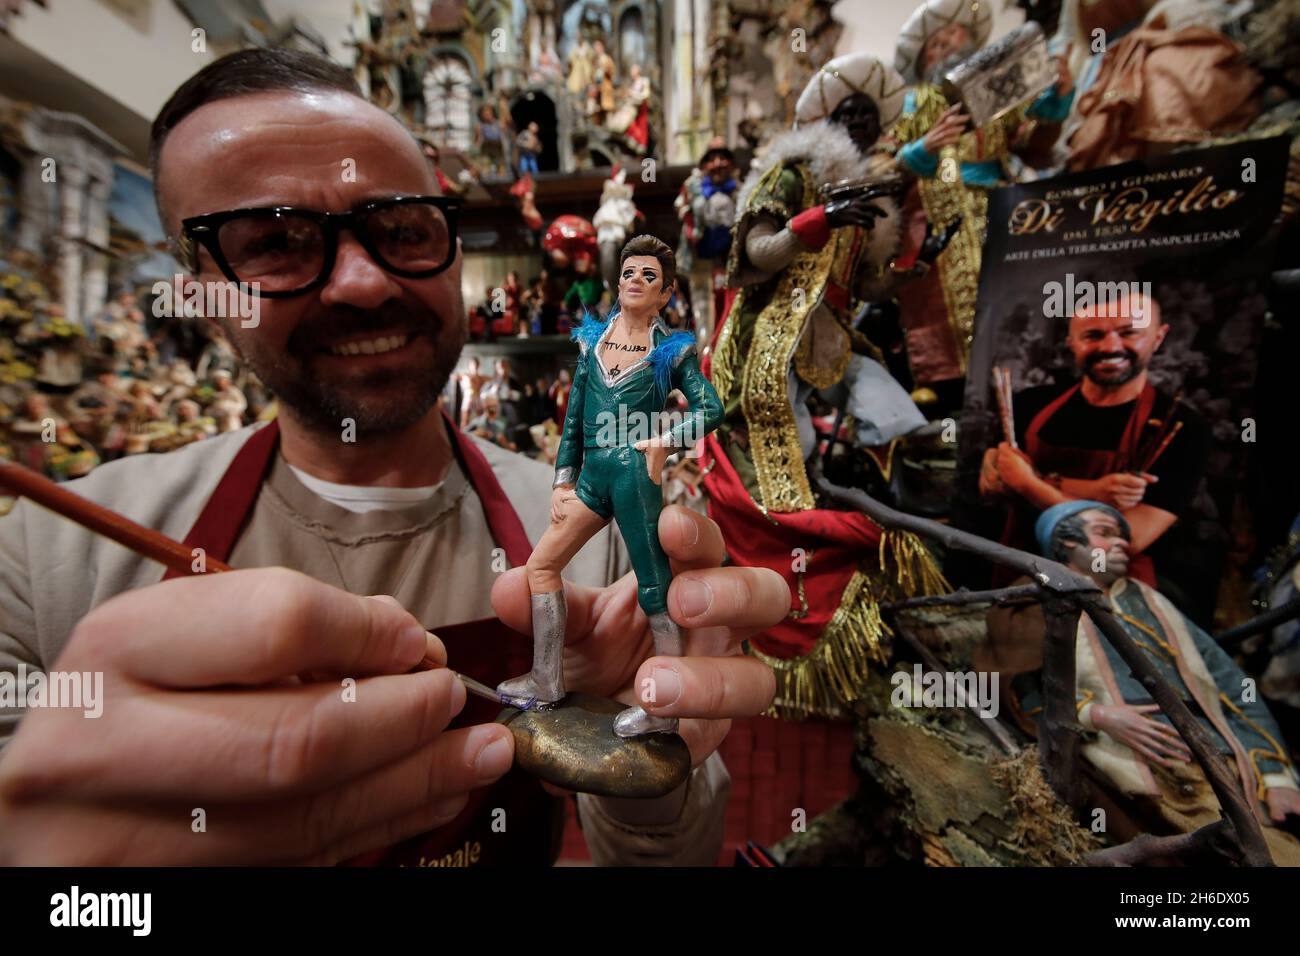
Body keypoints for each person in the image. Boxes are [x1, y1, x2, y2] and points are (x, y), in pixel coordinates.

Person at [0, 48, 784, 867]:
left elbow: (673, 854)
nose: (363, 283)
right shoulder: (47, 559)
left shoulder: (611, 557)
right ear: (196, 290)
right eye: (273, 242)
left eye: (403, 228)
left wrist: (650, 792)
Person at [497, 236, 727, 738]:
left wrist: (665, 441)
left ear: (666, 293)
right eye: (628, 273)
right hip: (592, 475)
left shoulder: (673, 349)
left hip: (634, 472)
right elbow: (574, 417)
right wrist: (562, 478)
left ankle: (664, 709)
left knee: (654, 589)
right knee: (541, 566)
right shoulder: (592, 341)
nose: (635, 281)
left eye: (648, 276)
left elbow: (711, 409)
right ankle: (547, 678)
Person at [982, 501, 1300, 864]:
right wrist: (1095, 715)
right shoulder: (1033, 599)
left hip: (1226, 762)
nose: (1121, 543)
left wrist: (1276, 777)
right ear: (1066, 542)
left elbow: (1232, 686)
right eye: (1104, 532)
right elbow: (1015, 689)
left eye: (1122, 535)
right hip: (1139, 772)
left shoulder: (1149, 598)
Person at [890, 0, 1075, 389]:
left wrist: (1057, 99)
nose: (945, 49)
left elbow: (1031, 143)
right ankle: (948, 388)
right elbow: (885, 162)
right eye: (935, 45)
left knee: (1012, 297)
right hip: (934, 211)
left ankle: (1020, 376)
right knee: (941, 304)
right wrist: (922, 148)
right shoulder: (909, 101)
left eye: (953, 40)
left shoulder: (994, 95)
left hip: (998, 205)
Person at [980, 288, 1207, 586]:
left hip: (1108, 588)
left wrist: (1029, 484)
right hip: (1020, 572)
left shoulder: (1182, 427)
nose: (1111, 347)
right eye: (1093, 336)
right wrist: (1094, 491)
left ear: (1158, 337)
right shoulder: (1030, 404)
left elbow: (1127, 539)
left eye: (1129, 333)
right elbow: (993, 487)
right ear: (1071, 342)